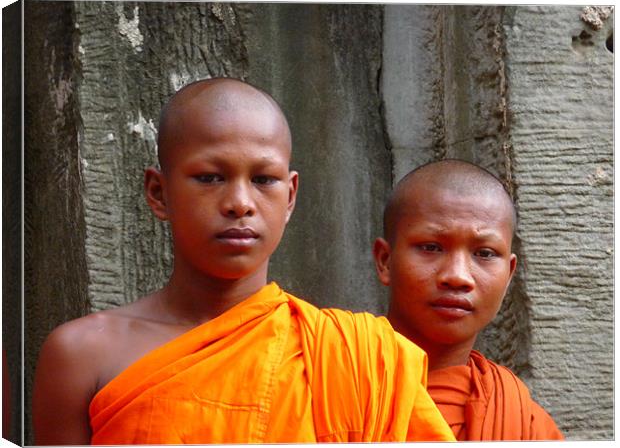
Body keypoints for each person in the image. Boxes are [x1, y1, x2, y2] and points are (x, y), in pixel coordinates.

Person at [32, 78, 455, 445]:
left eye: (263, 180)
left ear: (289, 197)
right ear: (159, 194)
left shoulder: (357, 360)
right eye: (210, 177)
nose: (239, 203)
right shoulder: (82, 355)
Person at [372, 159, 564, 441]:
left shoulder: (525, 426)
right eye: (431, 247)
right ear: (385, 261)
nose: (458, 276)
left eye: (484, 253)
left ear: (509, 274)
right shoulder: (329, 383)